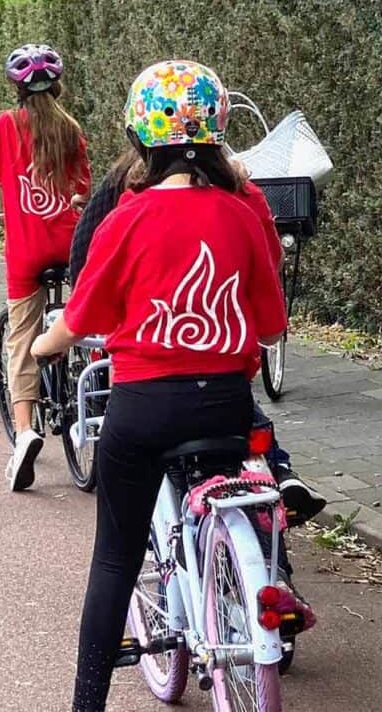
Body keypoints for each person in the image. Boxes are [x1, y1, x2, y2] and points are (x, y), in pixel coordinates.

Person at [30, 59, 288, 712]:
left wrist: (42, 342)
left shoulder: (127, 217)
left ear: (141, 138)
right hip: (226, 404)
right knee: (239, 483)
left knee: (114, 560)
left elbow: (81, 317)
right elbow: (271, 323)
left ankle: (87, 702)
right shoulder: (242, 214)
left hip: (143, 408)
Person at [69, 150, 327, 521]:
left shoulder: (128, 200)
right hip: (226, 389)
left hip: (144, 390)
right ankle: (277, 489)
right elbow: (271, 318)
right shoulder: (243, 198)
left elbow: (83, 277)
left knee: (116, 549)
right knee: (247, 457)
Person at [0, 43, 91, 491]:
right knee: (87, 317)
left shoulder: (7, 124)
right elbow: (82, 190)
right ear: (57, 86)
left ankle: (25, 431)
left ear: (17, 88)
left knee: (21, 339)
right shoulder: (71, 128)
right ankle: (92, 389)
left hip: (27, 252)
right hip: (71, 245)